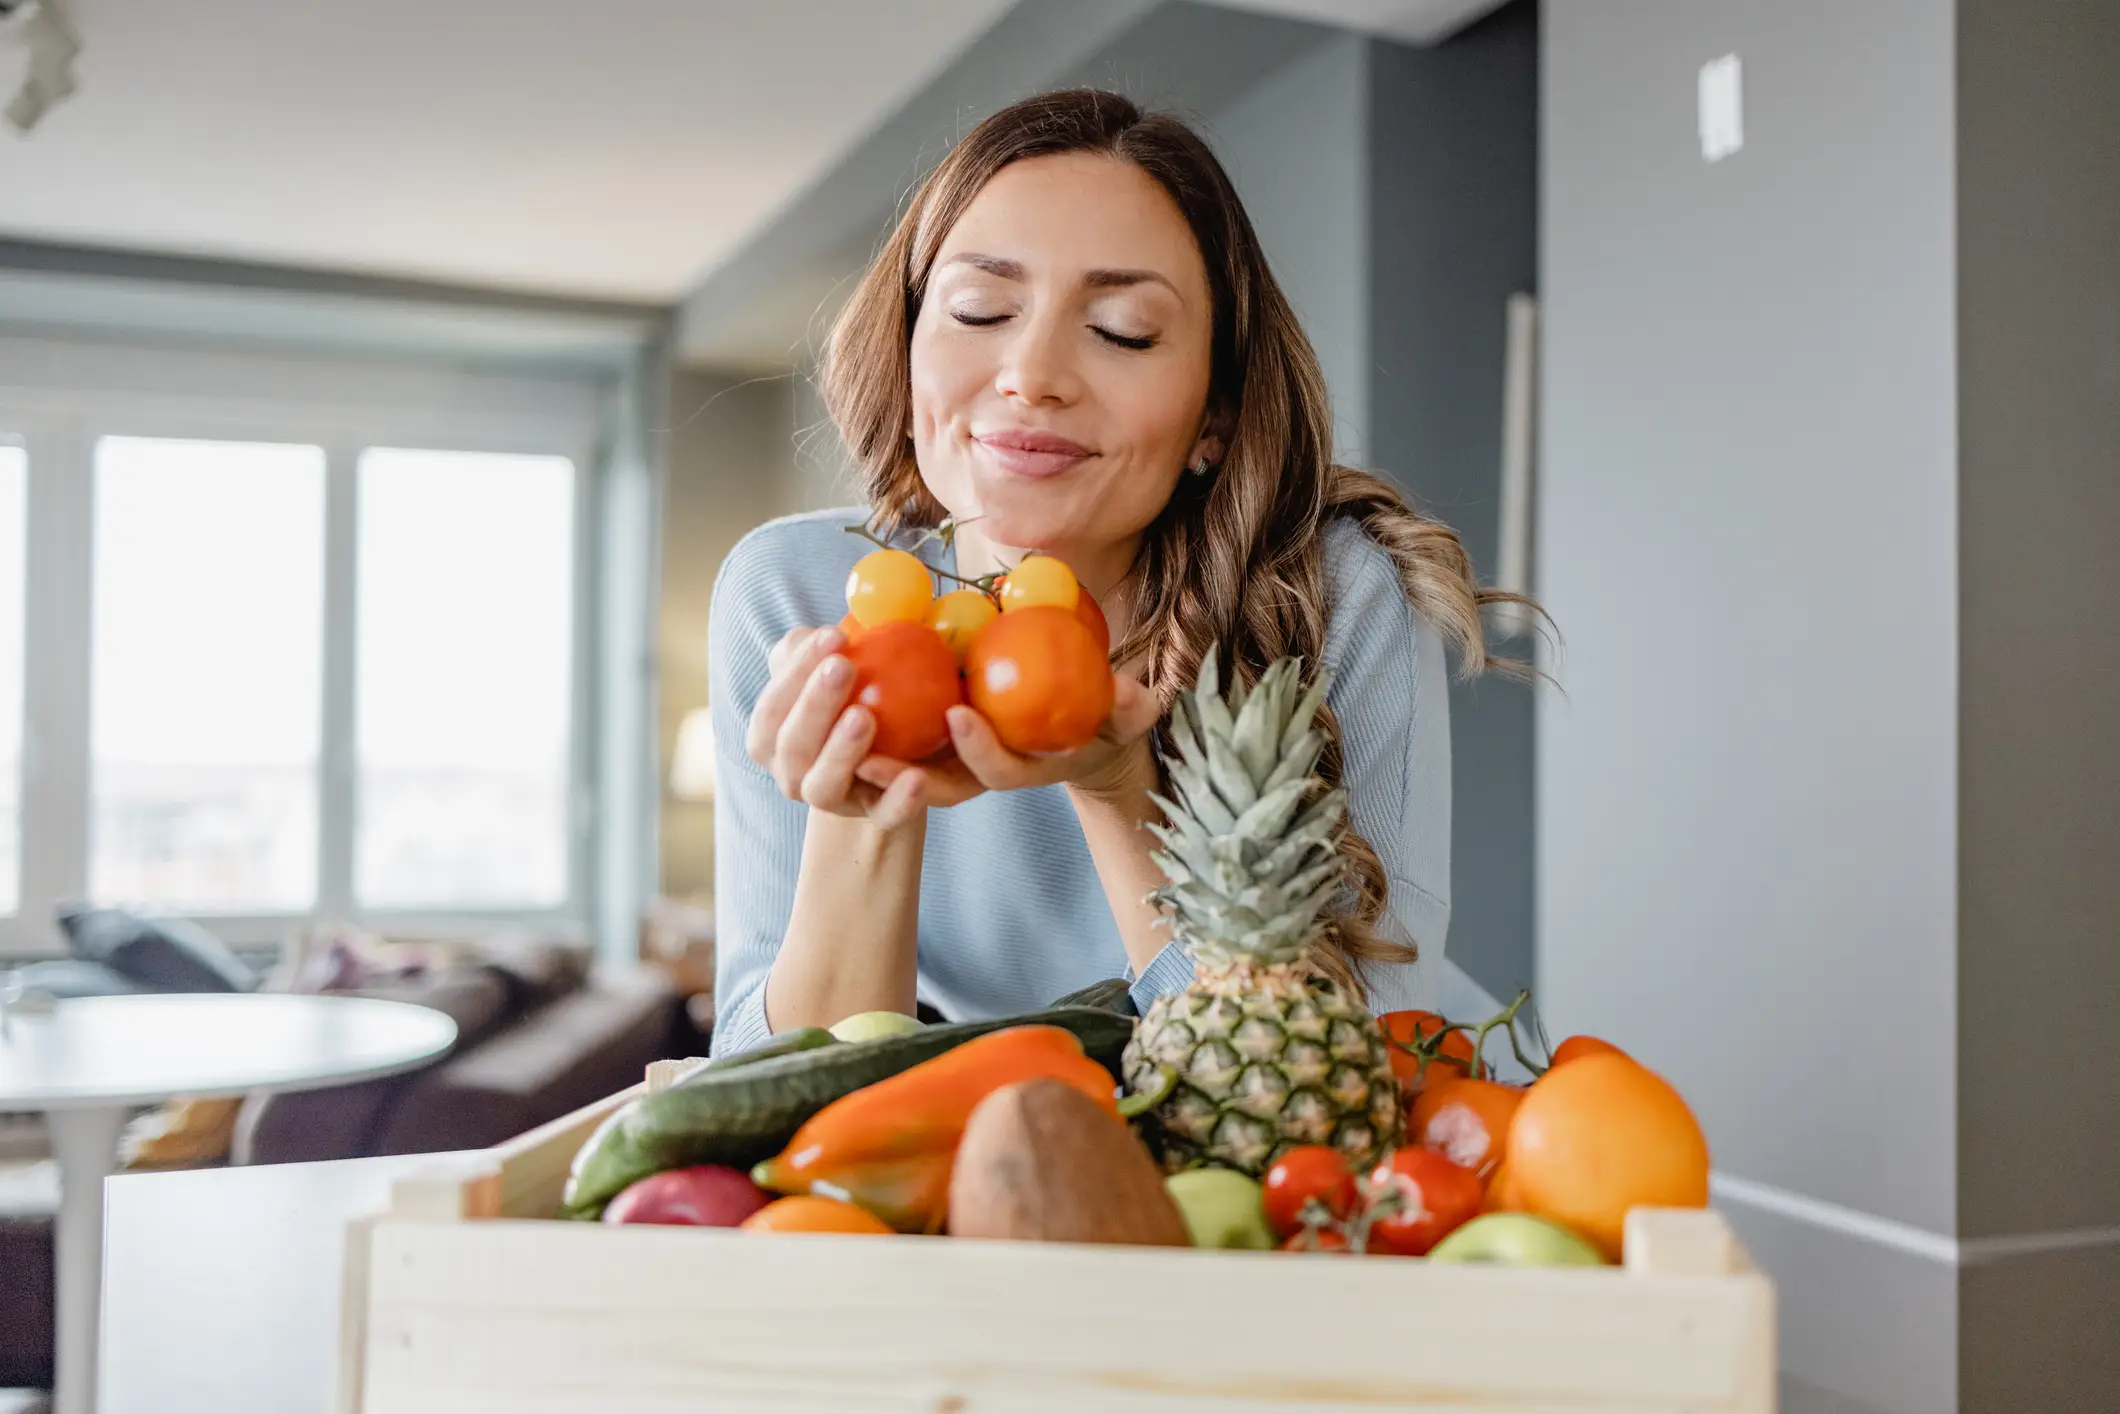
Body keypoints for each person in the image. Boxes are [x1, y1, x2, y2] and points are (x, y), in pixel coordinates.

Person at [707, 89, 1524, 1057]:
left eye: (1124, 329)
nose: (1031, 374)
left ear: (1215, 414)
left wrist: (1117, 788)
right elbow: (763, 1089)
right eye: (979, 309)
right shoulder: (793, 593)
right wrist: (866, 803)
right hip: (1031, 1126)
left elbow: (1359, 1056)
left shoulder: (1332, 593)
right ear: (909, 340)